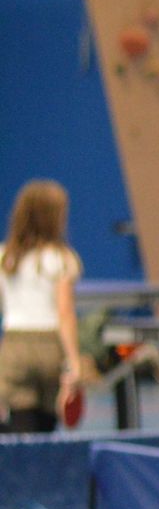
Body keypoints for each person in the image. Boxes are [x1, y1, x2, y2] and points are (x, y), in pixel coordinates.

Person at [0, 180, 84, 434]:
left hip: (15, 345)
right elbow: (65, 313)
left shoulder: (5, 257)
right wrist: (74, 361)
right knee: (46, 427)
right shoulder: (62, 258)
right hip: (50, 346)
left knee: (20, 423)